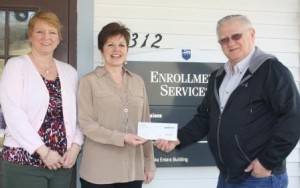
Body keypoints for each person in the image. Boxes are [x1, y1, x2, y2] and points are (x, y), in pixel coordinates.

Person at [154, 14, 300, 188]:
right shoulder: (218, 76)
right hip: (227, 176)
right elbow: (205, 118)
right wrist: (178, 138)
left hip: (259, 178)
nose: (230, 43)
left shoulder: (272, 71)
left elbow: (293, 119)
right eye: (224, 40)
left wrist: (267, 162)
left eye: (236, 36)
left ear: (251, 34)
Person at [0, 11, 83, 188]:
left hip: (61, 164)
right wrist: (43, 152)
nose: (46, 37)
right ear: (30, 36)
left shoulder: (70, 72)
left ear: (59, 38)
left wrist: (75, 148)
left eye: (52, 32)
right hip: (23, 163)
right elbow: (13, 115)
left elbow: (79, 116)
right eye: (40, 32)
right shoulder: (16, 67)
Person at [77, 22, 156, 188]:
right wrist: (122, 138)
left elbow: (145, 124)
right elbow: (87, 124)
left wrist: (149, 163)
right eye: (110, 44)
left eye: (121, 45)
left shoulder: (138, 81)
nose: (116, 50)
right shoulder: (88, 82)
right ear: (101, 50)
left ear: (127, 50)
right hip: (98, 172)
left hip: (132, 171)